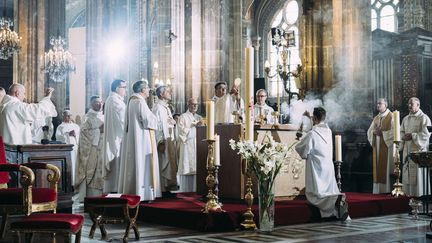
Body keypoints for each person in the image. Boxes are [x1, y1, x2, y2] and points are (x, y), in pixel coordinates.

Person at [295, 107, 348, 221]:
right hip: (328, 167)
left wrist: (302, 124)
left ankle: (334, 200)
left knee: (315, 195)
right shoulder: (328, 131)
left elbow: (301, 149)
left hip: (316, 168)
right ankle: (336, 205)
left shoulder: (312, 134)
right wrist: (311, 119)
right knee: (327, 190)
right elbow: (316, 128)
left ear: (314, 118)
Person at [117, 80, 161, 201]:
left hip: (136, 138)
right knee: (143, 164)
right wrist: (158, 120)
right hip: (142, 139)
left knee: (136, 163)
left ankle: (134, 190)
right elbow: (147, 120)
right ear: (142, 90)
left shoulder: (131, 101)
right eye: (147, 89)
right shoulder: (140, 102)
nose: (148, 91)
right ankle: (144, 192)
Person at [75, 95, 104, 201]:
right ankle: (92, 196)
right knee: (93, 170)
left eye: (101, 102)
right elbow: (83, 133)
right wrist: (98, 131)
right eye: (96, 102)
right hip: (92, 150)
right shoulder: (87, 117)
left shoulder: (104, 116)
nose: (99, 104)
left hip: (103, 148)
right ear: (91, 104)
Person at [400, 97, 432, 197]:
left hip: (418, 152)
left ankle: (420, 196)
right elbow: (401, 132)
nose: (409, 106)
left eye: (412, 104)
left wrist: (413, 136)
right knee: (407, 173)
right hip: (407, 150)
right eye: (408, 104)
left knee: (418, 174)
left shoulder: (424, 118)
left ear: (418, 105)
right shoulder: (406, 118)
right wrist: (403, 137)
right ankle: (408, 196)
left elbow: (426, 135)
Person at [152, 85, 178, 196]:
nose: (170, 92)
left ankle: (168, 187)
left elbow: (168, 122)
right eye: (168, 91)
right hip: (163, 141)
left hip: (170, 139)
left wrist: (173, 123)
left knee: (170, 163)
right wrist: (160, 141)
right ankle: (162, 189)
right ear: (161, 94)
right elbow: (157, 125)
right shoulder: (157, 107)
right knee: (163, 162)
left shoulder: (166, 107)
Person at [102, 79, 127, 193]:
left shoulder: (112, 99)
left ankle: (114, 188)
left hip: (115, 135)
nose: (125, 90)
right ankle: (115, 189)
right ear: (117, 88)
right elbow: (123, 120)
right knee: (116, 161)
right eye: (124, 87)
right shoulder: (115, 100)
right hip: (116, 137)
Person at [367, 98, 394, 194]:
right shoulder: (376, 118)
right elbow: (369, 131)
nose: (378, 105)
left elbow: (395, 132)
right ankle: (378, 190)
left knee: (385, 168)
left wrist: (383, 134)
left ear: (385, 105)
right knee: (378, 166)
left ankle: (386, 190)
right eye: (377, 103)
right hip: (377, 147)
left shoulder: (391, 116)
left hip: (387, 147)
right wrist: (374, 132)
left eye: (380, 103)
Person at [177, 98, 202, 192]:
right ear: (188, 105)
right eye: (192, 104)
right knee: (187, 166)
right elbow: (181, 132)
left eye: (196, 104)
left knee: (197, 168)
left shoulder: (199, 117)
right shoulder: (183, 117)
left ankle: (197, 190)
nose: (195, 106)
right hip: (187, 144)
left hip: (198, 144)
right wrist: (193, 127)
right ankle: (186, 191)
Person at [56, 110, 80, 186]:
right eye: (67, 115)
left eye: (70, 115)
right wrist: (67, 134)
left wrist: (75, 135)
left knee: (76, 165)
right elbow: (58, 138)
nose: (69, 117)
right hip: (67, 150)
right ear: (63, 116)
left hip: (75, 148)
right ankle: (69, 183)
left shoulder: (76, 126)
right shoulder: (60, 127)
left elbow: (80, 136)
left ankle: (77, 182)